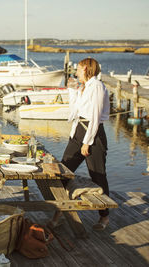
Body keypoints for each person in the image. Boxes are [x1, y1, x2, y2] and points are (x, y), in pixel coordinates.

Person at [48, 58, 110, 231]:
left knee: (97, 175)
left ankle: (104, 217)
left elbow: (96, 117)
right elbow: (75, 110)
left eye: (79, 69)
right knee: (63, 172)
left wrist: (87, 142)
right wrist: (72, 90)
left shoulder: (97, 86)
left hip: (93, 135)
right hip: (79, 131)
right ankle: (60, 213)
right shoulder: (85, 86)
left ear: (87, 69)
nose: (76, 71)